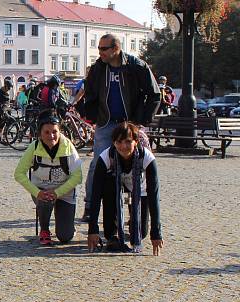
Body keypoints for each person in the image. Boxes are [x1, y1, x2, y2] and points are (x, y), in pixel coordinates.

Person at [79, 34, 161, 222]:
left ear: (116, 48)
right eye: (99, 48)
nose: (100, 52)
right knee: (97, 165)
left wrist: (141, 121)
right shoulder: (98, 68)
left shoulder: (136, 66)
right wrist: (91, 113)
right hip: (105, 123)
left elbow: (154, 94)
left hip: (129, 124)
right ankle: (90, 206)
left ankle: (135, 208)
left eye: (104, 49)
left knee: (136, 166)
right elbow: (89, 91)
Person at [87, 122, 163, 255]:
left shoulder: (147, 158)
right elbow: (96, 194)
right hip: (114, 187)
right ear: (114, 143)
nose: (124, 146)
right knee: (108, 186)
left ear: (136, 141)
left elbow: (154, 195)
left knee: (141, 232)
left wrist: (156, 233)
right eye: (119, 142)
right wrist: (92, 230)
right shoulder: (106, 157)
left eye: (128, 141)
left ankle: (134, 231)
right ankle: (112, 234)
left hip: (140, 188)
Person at [13, 114, 82, 245]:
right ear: (40, 134)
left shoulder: (68, 146)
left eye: (55, 132)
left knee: (65, 237)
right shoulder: (34, 147)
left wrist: (58, 192)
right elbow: (19, 173)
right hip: (42, 191)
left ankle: (66, 222)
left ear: (60, 131)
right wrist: (36, 192)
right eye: (47, 132)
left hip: (64, 193)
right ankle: (44, 230)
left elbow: (77, 176)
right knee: (45, 199)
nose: (51, 136)